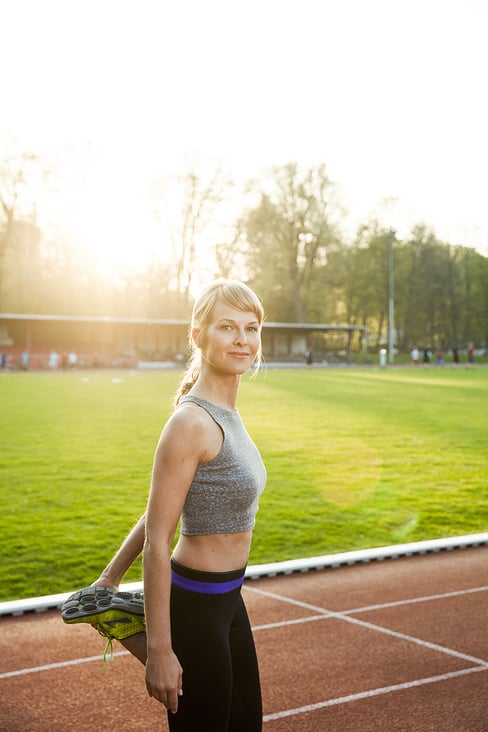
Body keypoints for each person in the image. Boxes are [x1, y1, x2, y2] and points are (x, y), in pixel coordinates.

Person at [61, 278, 266, 731]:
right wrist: (159, 652)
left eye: (251, 329)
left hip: (230, 601)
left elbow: (158, 510)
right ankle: (138, 625)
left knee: (247, 725)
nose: (242, 340)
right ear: (198, 335)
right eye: (227, 327)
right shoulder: (191, 422)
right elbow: (159, 539)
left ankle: (115, 605)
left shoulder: (228, 413)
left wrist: (109, 578)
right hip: (193, 605)